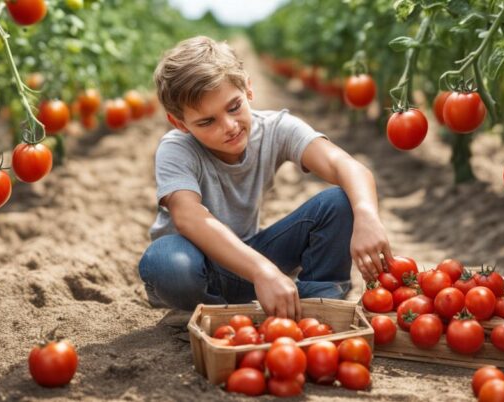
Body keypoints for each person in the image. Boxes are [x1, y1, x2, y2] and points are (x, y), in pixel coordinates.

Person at [139, 36, 392, 320]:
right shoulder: (176, 148)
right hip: (199, 271)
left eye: (233, 107)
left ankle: (319, 304)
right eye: (207, 122)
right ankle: (199, 310)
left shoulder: (276, 128)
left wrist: (367, 215)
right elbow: (188, 216)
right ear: (179, 123)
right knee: (167, 263)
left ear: (248, 89)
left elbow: (345, 166)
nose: (229, 126)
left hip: (248, 260)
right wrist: (264, 271)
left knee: (341, 201)